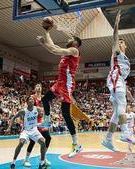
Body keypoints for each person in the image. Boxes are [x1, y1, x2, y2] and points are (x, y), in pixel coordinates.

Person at [36, 18, 83, 158]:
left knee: (65, 114)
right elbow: (52, 47)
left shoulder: (74, 51)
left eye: (71, 38)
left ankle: (76, 144)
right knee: (45, 100)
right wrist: (45, 35)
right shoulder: (65, 54)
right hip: (59, 83)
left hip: (67, 85)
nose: (69, 39)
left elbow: (54, 49)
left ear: (76, 43)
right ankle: (48, 119)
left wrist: (45, 38)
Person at [101, 10, 135, 152]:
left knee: (116, 113)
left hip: (118, 81)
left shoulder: (124, 57)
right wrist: (116, 23)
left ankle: (107, 139)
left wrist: (127, 90)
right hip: (115, 80)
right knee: (122, 106)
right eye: (119, 42)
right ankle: (125, 134)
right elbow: (114, 38)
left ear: (125, 46)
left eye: (121, 42)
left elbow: (122, 76)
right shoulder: (116, 52)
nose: (119, 43)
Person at [7, 96, 48, 169]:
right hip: (26, 131)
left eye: (32, 99)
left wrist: (42, 120)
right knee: (21, 143)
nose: (31, 100)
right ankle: (13, 162)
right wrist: (9, 128)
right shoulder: (23, 111)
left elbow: (44, 112)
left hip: (34, 130)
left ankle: (41, 163)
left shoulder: (37, 109)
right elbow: (13, 118)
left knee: (43, 142)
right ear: (27, 102)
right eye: (30, 99)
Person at [23, 84, 51, 167]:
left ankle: (43, 157)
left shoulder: (44, 97)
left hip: (42, 121)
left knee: (48, 138)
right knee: (32, 141)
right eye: (37, 86)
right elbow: (26, 108)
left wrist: (47, 119)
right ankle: (26, 160)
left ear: (42, 89)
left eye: (40, 86)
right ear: (34, 88)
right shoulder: (32, 97)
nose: (38, 87)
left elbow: (47, 109)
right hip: (34, 121)